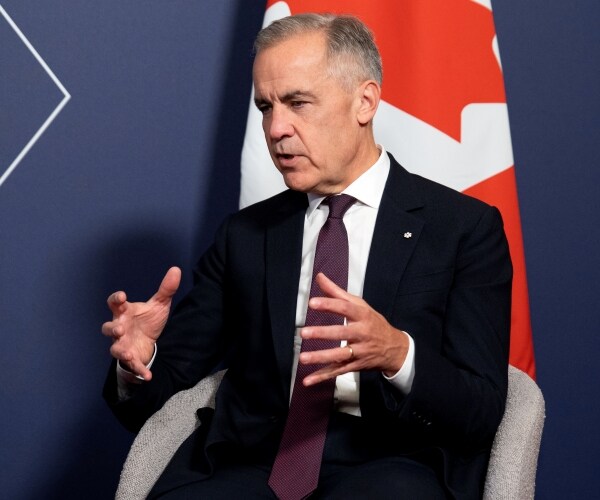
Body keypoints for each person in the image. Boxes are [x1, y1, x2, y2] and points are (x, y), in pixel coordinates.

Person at [103, 13, 512, 500]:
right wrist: (139, 361)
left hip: (395, 457)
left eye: (298, 103)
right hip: (255, 459)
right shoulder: (245, 236)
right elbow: (160, 391)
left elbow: (481, 409)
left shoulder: (463, 228)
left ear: (365, 102)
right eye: (265, 107)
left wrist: (398, 354)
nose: (276, 129)